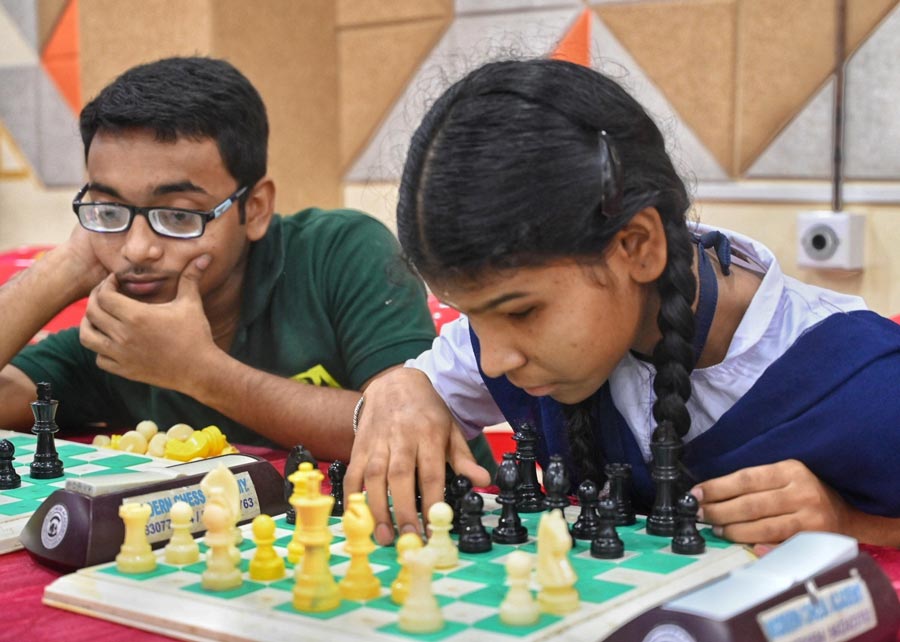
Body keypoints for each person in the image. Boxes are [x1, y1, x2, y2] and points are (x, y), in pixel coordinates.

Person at [345, 58, 900, 548]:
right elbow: (424, 385)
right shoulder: (521, 344)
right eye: (470, 316)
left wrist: (852, 524)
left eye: (521, 313)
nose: (492, 361)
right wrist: (399, 385)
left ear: (638, 246)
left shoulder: (867, 380)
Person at [0, 56, 444, 463]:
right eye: (110, 209)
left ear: (255, 209)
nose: (137, 249)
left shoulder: (340, 252)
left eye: (176, 214)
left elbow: (411, 427)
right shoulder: (125, 336)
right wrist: (69, 266)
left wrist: (198, 372)